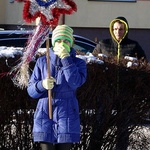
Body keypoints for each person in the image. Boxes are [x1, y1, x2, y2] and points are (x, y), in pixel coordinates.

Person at [27, 25, 87, 150]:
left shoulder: (78, 63)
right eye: (58, 40)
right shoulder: (42, 62)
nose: (62, 43)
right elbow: (31, 91)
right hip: (44, 112)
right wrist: (42, 85)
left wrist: (66, 59)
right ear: (53, 42)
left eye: (66, 41)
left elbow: (75, 82)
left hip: (67, 111)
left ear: (71, 43)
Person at [91, 16, 146, 150]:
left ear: (126, 30)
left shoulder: (133, 46)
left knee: (123, 131)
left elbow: (143, 67)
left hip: (125, 94)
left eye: (121, 29)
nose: (118, 32)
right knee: (99, 127)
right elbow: (92, 63)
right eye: (115, 29)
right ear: (111, 29)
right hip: (105, 92)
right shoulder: (103, 44)